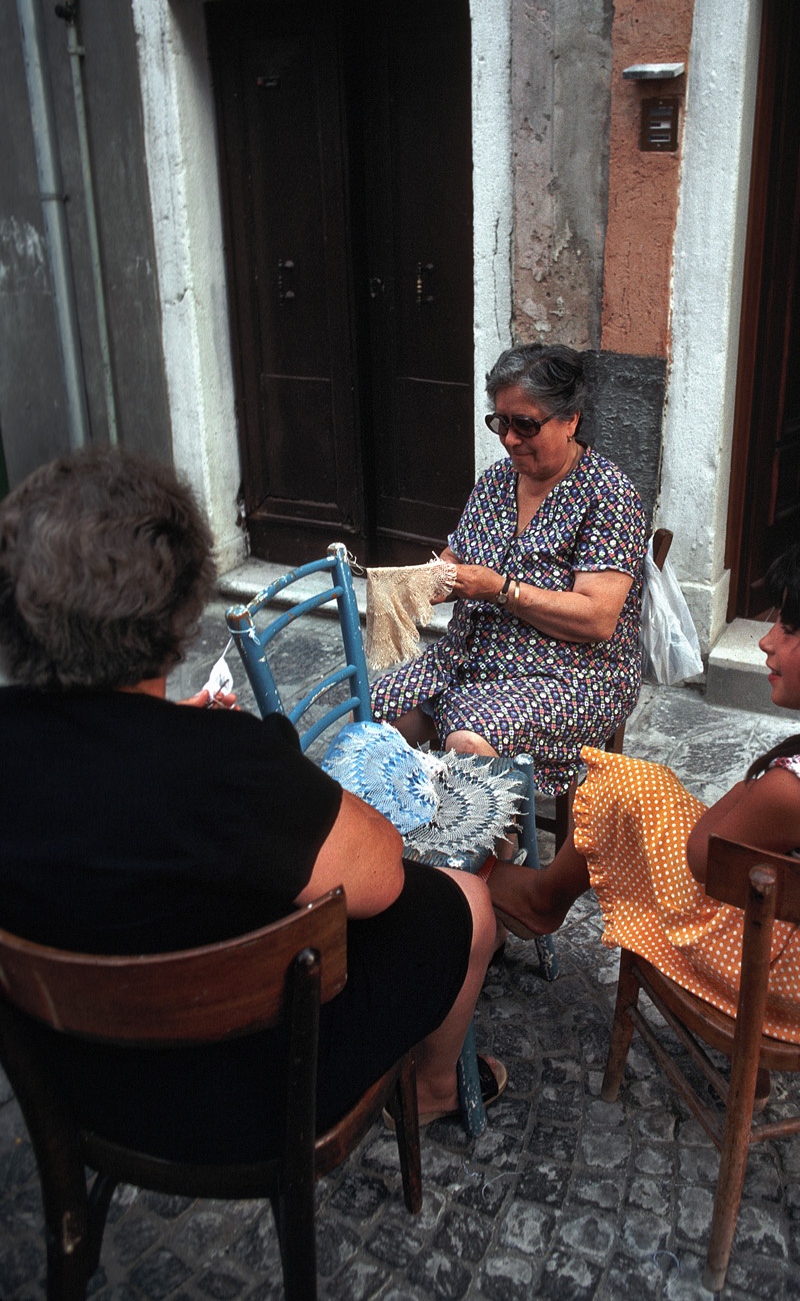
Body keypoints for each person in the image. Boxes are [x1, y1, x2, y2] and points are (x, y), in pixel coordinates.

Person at [0, 445, 502, 1158]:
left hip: (76, 1078)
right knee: (463, 904)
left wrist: (182, 738)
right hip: (254, 1094)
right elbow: (381, 873)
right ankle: (436, 1087)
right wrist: (247, 760)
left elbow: (96, 786)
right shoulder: (227, 769)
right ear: (178, 615)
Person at [488, 544, 800, 1045]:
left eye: (789, 630)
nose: (766, 642)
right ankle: (547, 896)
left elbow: (704, 856)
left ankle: (542, 899)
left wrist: (757, 781)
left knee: (629, 786)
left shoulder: (799, 789)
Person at [371, 343, 647, 795]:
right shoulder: (496, 481)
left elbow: (598, 619)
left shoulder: (608, 496)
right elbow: (456, 558)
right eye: (501, 422)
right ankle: (409, 829)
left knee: (468, 738)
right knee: (376, 710)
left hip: (571, 675)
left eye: (525, 425)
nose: (510, 439)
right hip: (470, 657)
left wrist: (501, 590)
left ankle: (494, 854)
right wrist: (426, 581)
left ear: (570, 419)